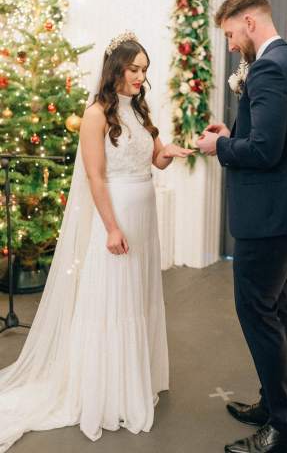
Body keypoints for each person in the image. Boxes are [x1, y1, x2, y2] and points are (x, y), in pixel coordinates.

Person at [0, 31, 193, 452]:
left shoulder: (140, 111)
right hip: (117, 214)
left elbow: (154, 159)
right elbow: (95, 177)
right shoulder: (96, 114)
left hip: (144, 217)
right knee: (114, 301)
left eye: (144, 70)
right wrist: (110, 227)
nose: (141, 76)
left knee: (138, 297)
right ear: (116, 69)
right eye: (134, 69)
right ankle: (109, 391)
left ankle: (135, 381)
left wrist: (170, 152)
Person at [198, 0, 287, 453]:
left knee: (257, 310)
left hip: (271, 216)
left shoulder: (271, 67)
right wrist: (231, 132)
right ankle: (274, 403)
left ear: (251, 22)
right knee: (277, 309)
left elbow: (264, 151)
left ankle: (286, 428)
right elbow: (273, 135)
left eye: (232, 34)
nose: (232, 45)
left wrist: (218, 147)